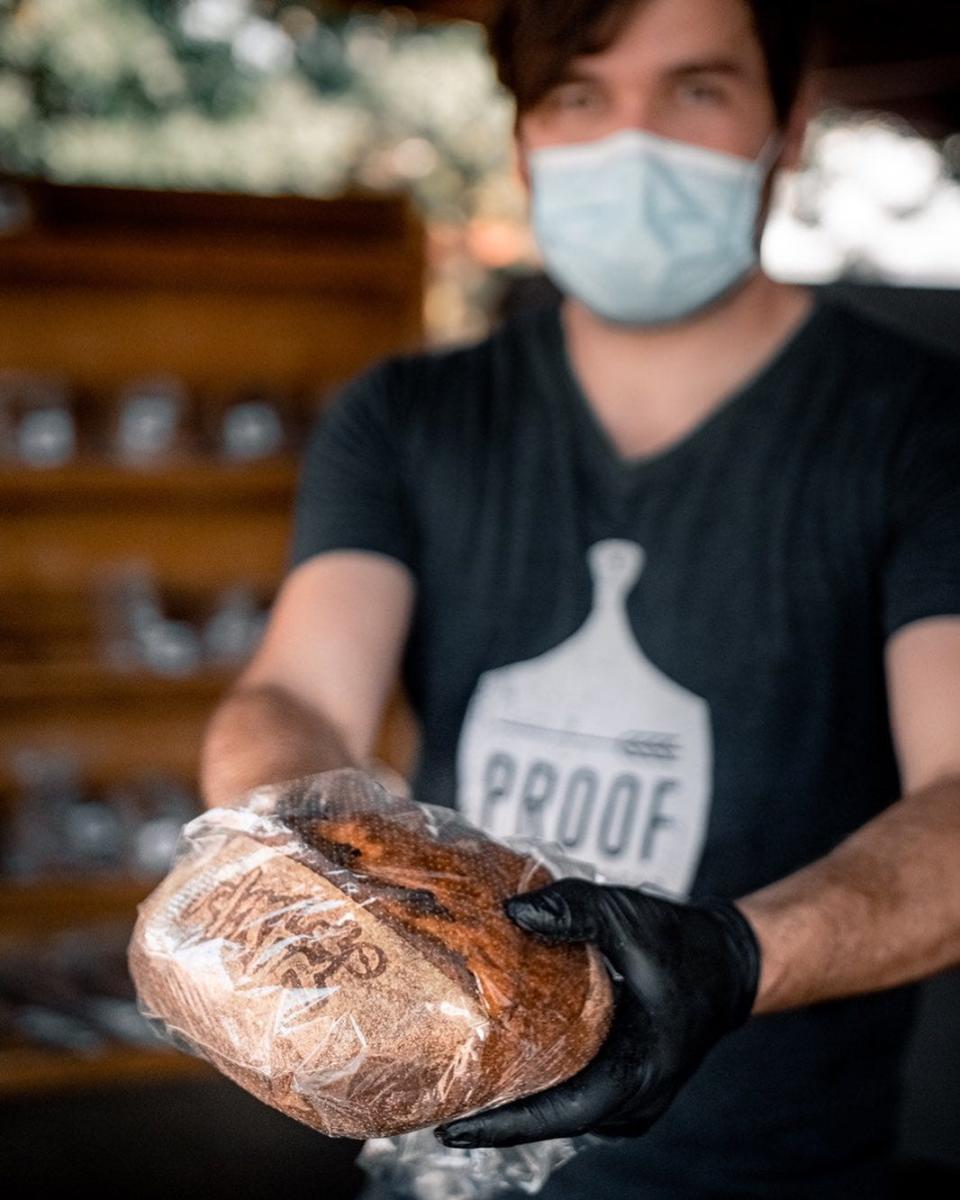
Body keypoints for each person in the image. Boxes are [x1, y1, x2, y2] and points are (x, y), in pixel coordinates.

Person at [200, 1, 960, 1196]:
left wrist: (739, 956)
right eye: (580, 96)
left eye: (696, 89)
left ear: (788, 123)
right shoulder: (409, 420)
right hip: (442, 1159)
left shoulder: (921, 431)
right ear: (524, 141)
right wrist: (290, 845)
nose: (633, 138)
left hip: (782, 1169)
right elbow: (298, 687)